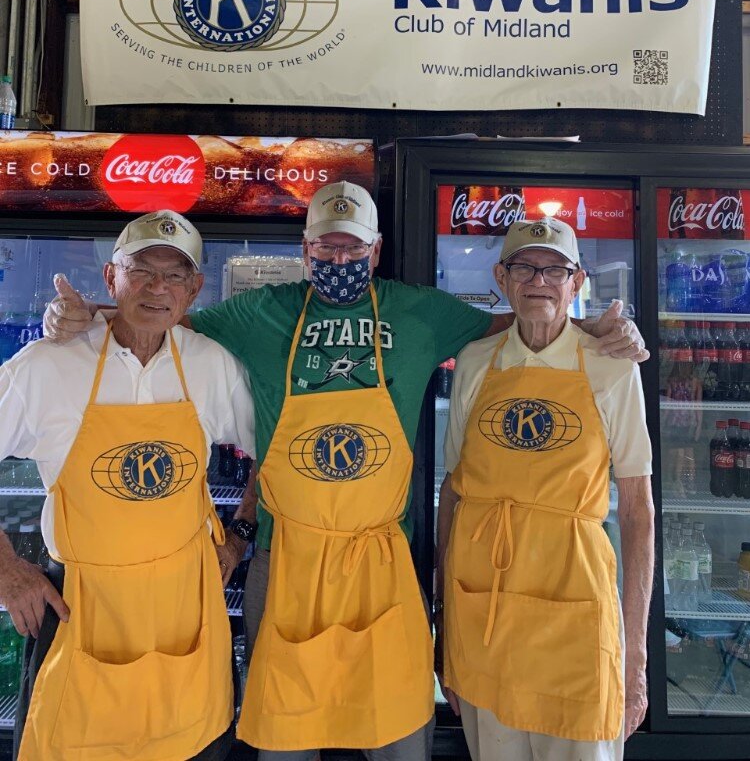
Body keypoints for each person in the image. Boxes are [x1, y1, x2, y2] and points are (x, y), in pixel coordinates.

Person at [43, 182, 648, 761]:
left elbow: (521, 323)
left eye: (353, 246)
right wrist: (85, 317)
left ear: (375, 250)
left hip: (381, 561)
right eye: (327, 245)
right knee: (284, 738)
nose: (340, 257)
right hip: (287, 560)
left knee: (400, 737)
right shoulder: (260, 313)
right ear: (305, 250)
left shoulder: (421, 313)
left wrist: (595, 328)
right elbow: (158, 312)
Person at [1, 210, 255, 761]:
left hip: (186, 606)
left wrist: (240, 533)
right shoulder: (48, 365)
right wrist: (5, 567)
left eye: (174, 276)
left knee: (190, 744)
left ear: (194, 290)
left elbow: (275, 453)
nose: (157, 288)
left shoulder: (211, 365)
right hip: (83, 607)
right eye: (141, 271)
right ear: (112, 279)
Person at [435, 217, 654, 761]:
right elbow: (454, 495)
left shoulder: (611, 367)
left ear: (576, 281)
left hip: (576, 616)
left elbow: (637, 511)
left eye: (555, 268)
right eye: (525, 267)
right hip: (483, 612)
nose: (540, 280)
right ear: (501, 279)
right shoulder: (475, 362)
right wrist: (446, 630)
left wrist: (635, 658)